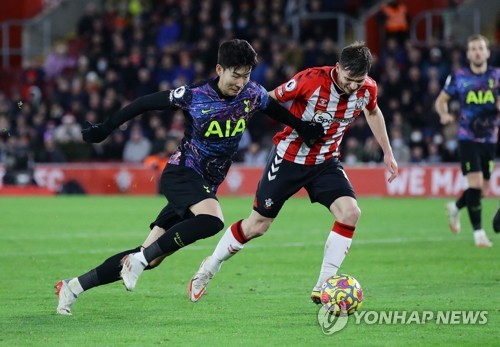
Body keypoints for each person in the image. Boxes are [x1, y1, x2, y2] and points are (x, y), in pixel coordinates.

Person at [54, 39, 324, 315]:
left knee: (151, 256)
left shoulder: (252, 93)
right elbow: (145, 103)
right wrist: (106, 128)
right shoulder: (194, 94)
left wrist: (302, 127)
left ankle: (73, 287)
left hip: (203, 184)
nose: (240, 82)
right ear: (220, 69)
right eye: (235, 74)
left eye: (246, 75)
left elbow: (273, 108)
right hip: (182, 173)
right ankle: (138, 261)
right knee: (212, 220)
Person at [187, 41, 399, 303]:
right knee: (257, 226)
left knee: (351, 212)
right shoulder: (310, 80)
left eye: (359, 80)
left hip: (325, 162)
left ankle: (324, 286)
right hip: (288, 158)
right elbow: (268, 98)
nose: (353, 86)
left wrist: (388, 152)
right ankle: (210, 267)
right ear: (338, 68)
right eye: (349, 79)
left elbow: (374, 112)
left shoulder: (368, 89)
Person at [435, 34, 499, 247]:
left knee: (482, 189)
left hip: (490, 138)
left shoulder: (497, 76)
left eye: (481, 48)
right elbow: (441, 101)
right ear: (468, 53)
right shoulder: (459, 77)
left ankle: (456, 207)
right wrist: (444, 114)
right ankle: (479, 233)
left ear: (488, 52)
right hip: (467, 137)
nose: (477, 52)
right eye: (473, 49)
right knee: (476, 183)